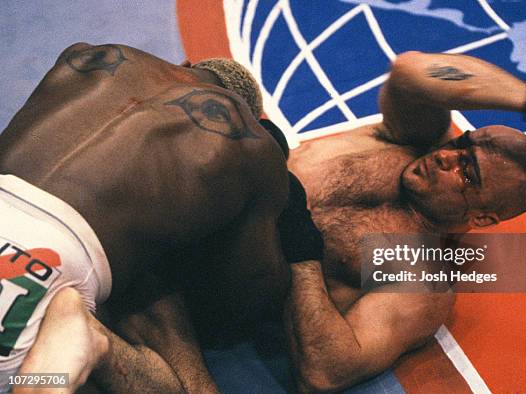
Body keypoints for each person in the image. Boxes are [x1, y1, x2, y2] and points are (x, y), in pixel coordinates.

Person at [0, 42, 322, 393]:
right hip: (44, 263)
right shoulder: (254, 146)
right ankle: (98, 347)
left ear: (185, 65)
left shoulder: (89, 56)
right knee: (38, 383)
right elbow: (244, 303)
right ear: (255, 116)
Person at [283, 51, 526, 391]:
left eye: (467, 172)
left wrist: (300, 252)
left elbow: (327, 371)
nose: (444, 157)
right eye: (461, 145)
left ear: (482, 218)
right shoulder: (411, 140)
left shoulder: (421, 275)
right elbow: (410, 70)